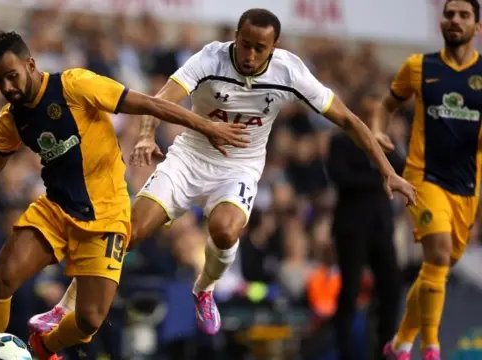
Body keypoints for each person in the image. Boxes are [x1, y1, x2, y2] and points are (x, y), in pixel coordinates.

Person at [36, 8, 417, 338]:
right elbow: (160, 99)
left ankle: (205, 288)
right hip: (189, 157)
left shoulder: (291, 72)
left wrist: (387, 171)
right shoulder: (210, 58)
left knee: (224, 229)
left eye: (259, 48)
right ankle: (65, 306)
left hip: (239, 166)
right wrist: (147, 136)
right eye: (244, 43)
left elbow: (349, 120)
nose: (249, 54)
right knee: (129, 232)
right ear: (235, 37)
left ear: (275, 46)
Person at [0, 30, 250, 360]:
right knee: (1, 279)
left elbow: (149, 103)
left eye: (12, 76)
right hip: (56, 210)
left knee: (90, 320)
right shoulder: (12, 119)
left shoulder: (75, 85)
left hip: (106, 214)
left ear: (31, 64)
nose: (7, 87)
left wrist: (207, 126)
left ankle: (43, 347)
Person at [371, 1, 482, 359]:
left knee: (439, 267)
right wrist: (377, 132)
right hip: (423, 176)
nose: (455, 20)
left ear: (477, 27)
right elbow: (386, 105)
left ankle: (401, 342)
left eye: (464, 15)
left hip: (466, 185)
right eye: (450, 14)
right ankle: (431, 346)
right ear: (442, 21)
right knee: (436, 252)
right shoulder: (419, 67)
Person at [326, 129, 405, 360]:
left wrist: (391, 145)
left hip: (380, 228)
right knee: (350, 290)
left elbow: (403, 167)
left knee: (391, 286)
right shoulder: (342, 141)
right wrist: (381, 176)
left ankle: (385, 349)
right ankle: (345, 352)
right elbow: (340, 175)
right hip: (351, 228)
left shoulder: (385, 142)